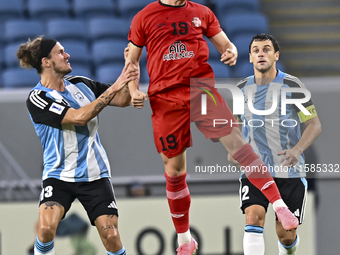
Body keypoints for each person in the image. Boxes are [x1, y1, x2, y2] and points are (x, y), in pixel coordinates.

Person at [125, 1, 300, 254]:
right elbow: (131, 61)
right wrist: (133, 91)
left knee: (238, 144)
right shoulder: (144, 17)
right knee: (174, 170)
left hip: (201, 90)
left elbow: (225, 44)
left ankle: (280, 205)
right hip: (165, 98)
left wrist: (230, 51)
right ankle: (185, 239)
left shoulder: (202, 12)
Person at [17, 36, 138, 255]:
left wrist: (131, 64)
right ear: (46, 62)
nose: (67, 55)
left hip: (94, 174)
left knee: (111, 236)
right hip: (58, 175)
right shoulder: (38, 97)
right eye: (60, 52)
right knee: (45, 229)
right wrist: (118, 83)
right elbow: (78, 117)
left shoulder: (81, 84)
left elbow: (123, 99)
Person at [228, 33, 321, 255]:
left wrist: (297, 150)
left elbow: (314, 125)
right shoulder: (241, 89)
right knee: (253, 216)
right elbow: (234, 126)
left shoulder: (292, 85)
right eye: (256, 50)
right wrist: (233, 150)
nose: (261, 53)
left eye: (266, 49)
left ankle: (287, 249)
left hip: (289, 170)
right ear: (250, 57)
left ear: (276, 55)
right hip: (255, 170)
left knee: (286, 234)